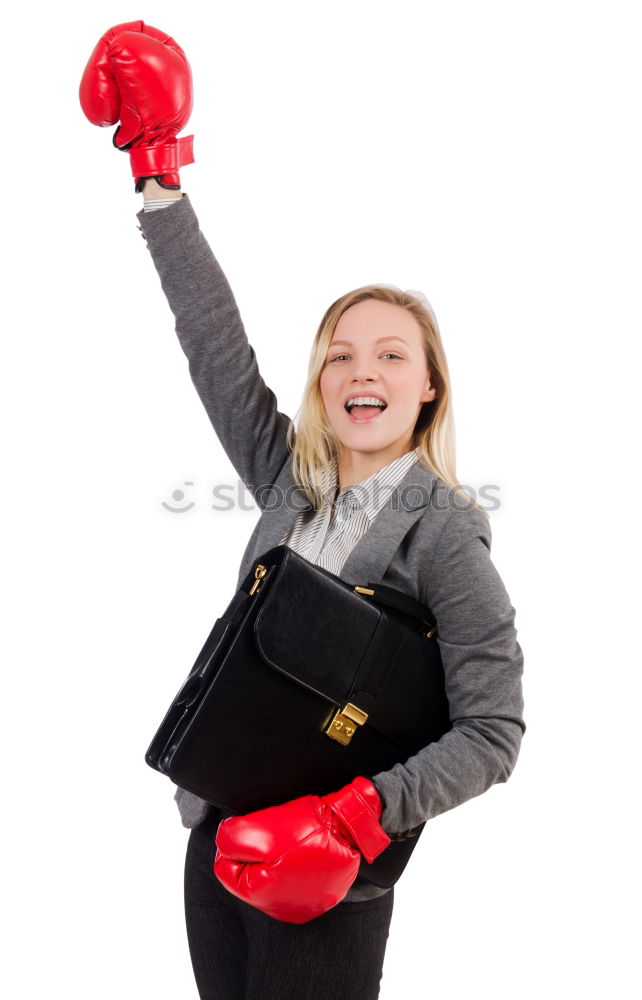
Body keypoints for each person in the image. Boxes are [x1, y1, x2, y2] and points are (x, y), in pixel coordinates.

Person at [80, 21, 525, 1000]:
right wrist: (158, 174)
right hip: (216, 840)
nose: (359, 369)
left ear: (426, 390)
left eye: (388, 354)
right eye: (339, 352)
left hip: (327, 874)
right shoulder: (290, 482)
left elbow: (491, 730)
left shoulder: (444, 529)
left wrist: (357, 816)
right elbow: (214, 344)